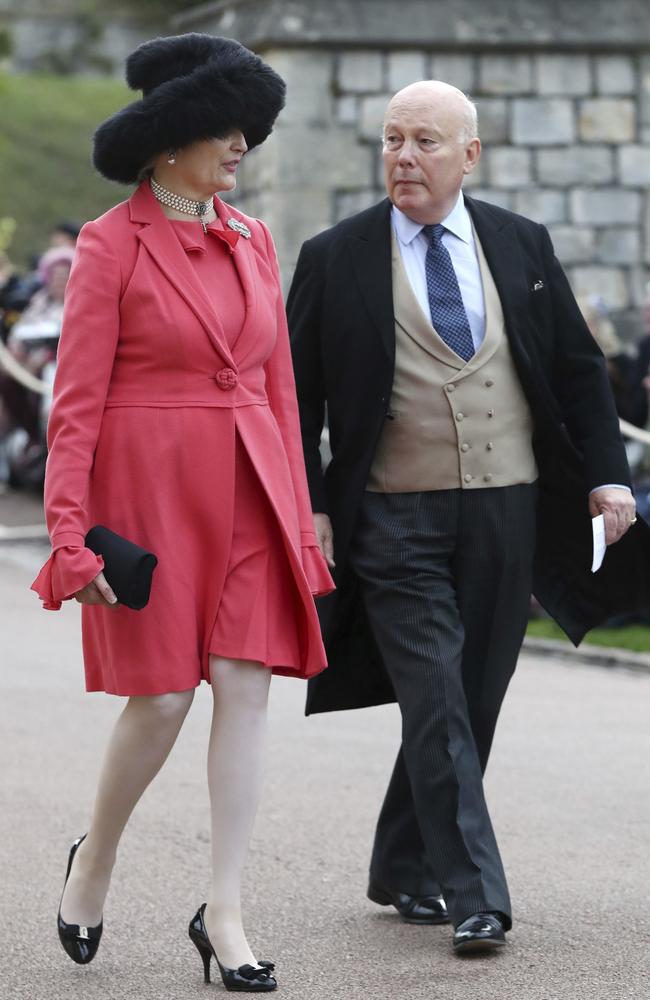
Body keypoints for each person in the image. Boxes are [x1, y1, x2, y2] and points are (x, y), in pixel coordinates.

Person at [287, 81, 648, 954]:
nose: (404, 157)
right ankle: (476, 894)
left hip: (507, 511)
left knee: (473, 697)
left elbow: (574, 368)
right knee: (438, 693)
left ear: (469, 155)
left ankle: (400, 862)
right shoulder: (334, 257)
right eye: (392, 140)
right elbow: (293, 401)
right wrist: (314, 505)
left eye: (425, 142)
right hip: (393, 519)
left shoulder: (520, 243)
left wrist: (610, 479)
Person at [31, 33, 333, 992]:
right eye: (223, 128)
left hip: (250, 487)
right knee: (161, 698)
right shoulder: (108, 244)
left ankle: (226, 910)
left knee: (245, 686)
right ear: (168, 143)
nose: (241, 143)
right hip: (150, 495)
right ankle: (96, 860)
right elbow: (74, 402)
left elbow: (278, 387)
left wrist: (302, 508)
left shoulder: (252, 237)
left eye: (247, 128)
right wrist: (68, 532)